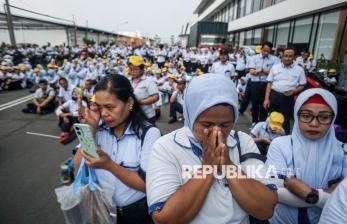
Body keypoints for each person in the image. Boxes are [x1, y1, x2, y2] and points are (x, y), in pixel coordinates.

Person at [146, 74, 278, 224]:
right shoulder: (166, 147)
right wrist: (208, 168)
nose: (217, 133)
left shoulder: (242, 141)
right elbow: (164, 218)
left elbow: (266, 208)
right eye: (207, 125)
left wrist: (228, 166)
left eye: (225, 125)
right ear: (191, 117)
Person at [74, 74, 161, 224]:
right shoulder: (98, 131)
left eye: (110, 107)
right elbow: (79, 170)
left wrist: (109, 166)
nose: (104, 114)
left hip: (136, 215)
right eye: (99, 107)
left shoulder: (149, 134)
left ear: (129, 103)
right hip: (103, 211)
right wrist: (89, 131)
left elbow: (148, 185)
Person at [266, 88, 347, 224]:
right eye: (306, 115)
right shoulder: (281, 145)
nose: (314, 124)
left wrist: (308, 193)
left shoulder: (343, 151)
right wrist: (328, 194)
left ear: (333, 119)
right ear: (296, 116)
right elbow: (273, 191)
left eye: (324, 117)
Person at [264, 48, 306, 134]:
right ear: (282, 56)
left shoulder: (299, 70)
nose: (287, 58)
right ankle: (269, 137)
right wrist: (266, 99)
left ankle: (284, 139)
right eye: (286, 56)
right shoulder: (275, 67)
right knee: (272, 117)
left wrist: (294, 91)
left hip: (288, 97)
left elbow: (302, 85)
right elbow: (269, 83)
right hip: (274, 95)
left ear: (294, 57)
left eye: (290, 56)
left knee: (285, 119)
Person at [248, 42, 279, 125]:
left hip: (267, 85)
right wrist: (265, 71)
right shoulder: (254, 58)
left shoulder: (275, 59)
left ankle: (262, 124)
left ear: (270, 51)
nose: (266, 52)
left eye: (268, 51)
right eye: (264, 50)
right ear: (261, 49)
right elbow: (251, 72)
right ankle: (254, 122)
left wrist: (261, 70)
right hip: (255, 84)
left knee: (264, 105)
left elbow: (274, 73)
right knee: (254, 104)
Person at [128, 55, 159, 124]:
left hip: (147, 115)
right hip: (133, 115)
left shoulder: (148, 81)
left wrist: (139, 102)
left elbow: (156, 97)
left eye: (135, 69)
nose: (132, 71)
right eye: (131, 69)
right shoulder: (128, 81)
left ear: (142, 69)